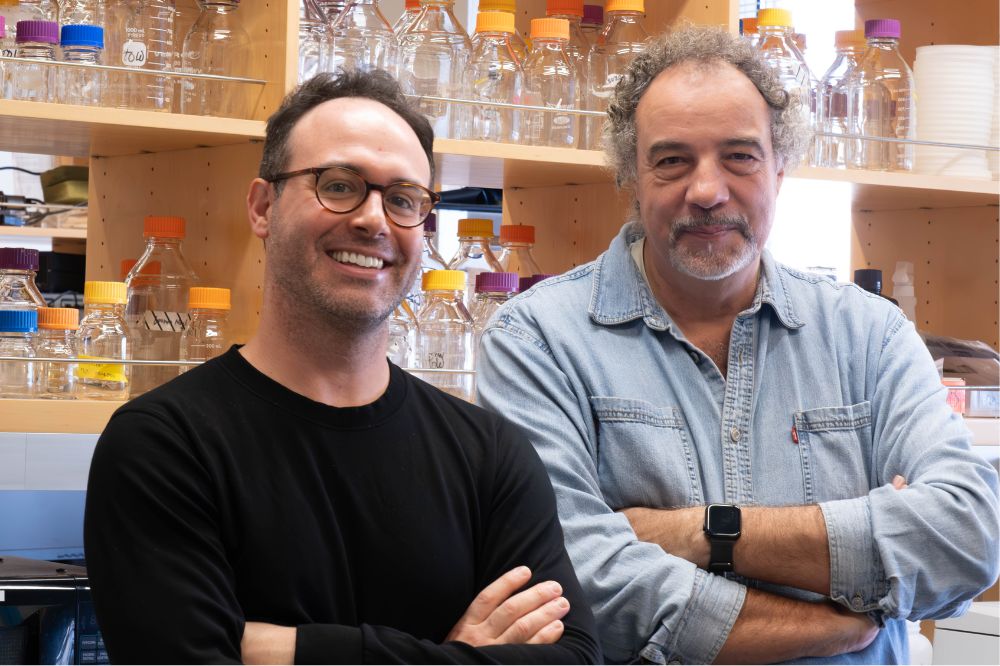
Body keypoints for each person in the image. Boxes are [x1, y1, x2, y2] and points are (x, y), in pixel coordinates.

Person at [476, 25, 999, 665]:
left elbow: (965, 539)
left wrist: (703, 534)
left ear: (780, 166)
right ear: (630, 178)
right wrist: (840, 622)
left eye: (739, 156)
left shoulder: (870, 334)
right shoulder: (535, 339)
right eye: (671, 160)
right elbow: (582, 583)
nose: (706, 190)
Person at [84, 70, 601, 665]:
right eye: (338, 185)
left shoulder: (490, 455)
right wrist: (457, 653)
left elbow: (576, 659)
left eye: (404, 199)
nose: (374, 220)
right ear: (262, 206)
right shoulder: (164, 446)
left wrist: (292, 650)